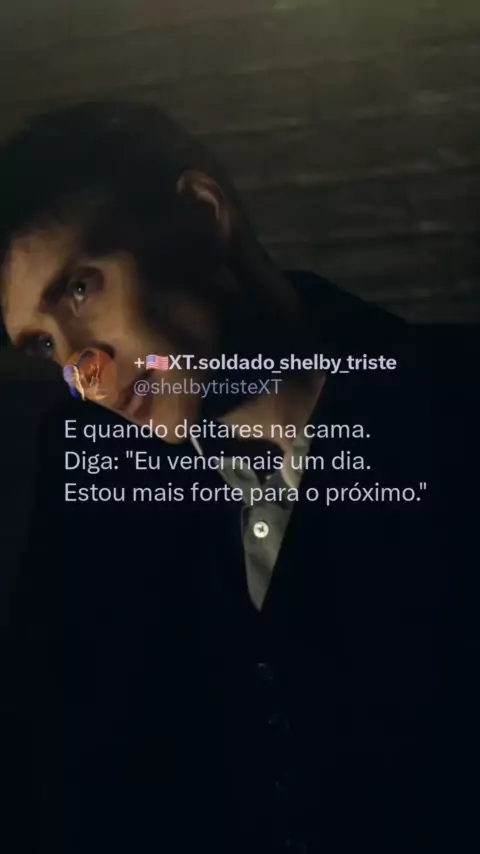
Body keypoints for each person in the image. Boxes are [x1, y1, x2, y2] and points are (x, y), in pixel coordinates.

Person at [0, 101, 478, 854]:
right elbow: (58, 780)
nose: (82, 374)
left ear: (200, 215)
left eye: (81, 289)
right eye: (42, 345)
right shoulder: (88, 475)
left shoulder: (451, 407)